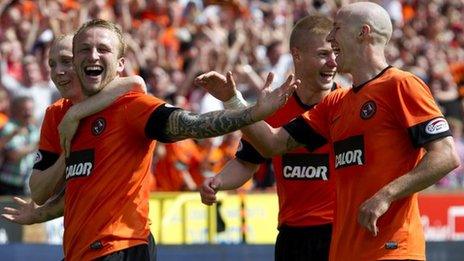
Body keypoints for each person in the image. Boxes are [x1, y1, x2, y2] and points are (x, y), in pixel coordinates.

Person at [200, 2, 460, 261]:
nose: (332, 37)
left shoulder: (401, 85)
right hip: (341, 251)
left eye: (337, 28)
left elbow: (445, 156)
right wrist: (234, 100)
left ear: (363, 33)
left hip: (393, 250)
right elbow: (272, 144)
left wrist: (386, 195)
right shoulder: (335, 104)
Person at [31, 19, 297, 261]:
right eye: (84, 50)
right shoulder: (58, 115)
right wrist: (43, 209)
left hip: (122, 247)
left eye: (103, 49)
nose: (93, 55)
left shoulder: (133, 106)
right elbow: (55, 191)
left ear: (121, 63)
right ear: (77, 60)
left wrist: (250, 112)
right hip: (77, 253)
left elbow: (193, 125)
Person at [198, 14, 338, 261]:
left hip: (341, 232)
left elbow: (272, 143)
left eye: (336, 52)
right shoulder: (274, 106)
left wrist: (234, 101)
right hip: (292, 235)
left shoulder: (347, 104)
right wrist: (218, 181)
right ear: (297, 55)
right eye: (323, 54)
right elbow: (246, 162)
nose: (333, 62)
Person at [1, 33, 154, 256]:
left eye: (66, 61)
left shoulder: (123, 104)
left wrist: (76, 114)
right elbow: (39, 191)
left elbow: (137, 83)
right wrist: (67, 153)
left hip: (125, 243)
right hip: (79, 248)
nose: (57, 71)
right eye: (52, 64)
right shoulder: (55, 114)